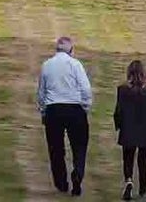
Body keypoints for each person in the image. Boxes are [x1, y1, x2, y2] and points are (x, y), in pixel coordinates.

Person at [36, 36, 93, 196]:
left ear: (56, 50)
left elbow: (41, 92)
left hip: (54, 109)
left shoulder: (46, 65)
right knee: (79, 146)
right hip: (74, 108)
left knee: (56, 149)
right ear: (71, 50)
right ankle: (78, 173)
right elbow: (85, 88)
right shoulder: (75, 65)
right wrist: (85, 107)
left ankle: (61, 183)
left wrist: (43, 110)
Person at [113, 60, 146, 199]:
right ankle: (143, 190)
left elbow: (118, 111)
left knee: (128, 158)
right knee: (143, 161)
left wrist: (118, 125)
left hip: (128, 130)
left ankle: (129, 180)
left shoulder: (122, 90)